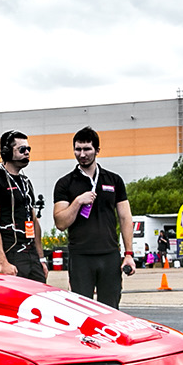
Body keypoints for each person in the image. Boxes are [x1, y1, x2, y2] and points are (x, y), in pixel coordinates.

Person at [53, 126, 135, 308]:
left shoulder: (113, 180)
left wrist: (128, 254)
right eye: (78, 149)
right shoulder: (65, 183)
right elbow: (60, 223)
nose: (82, 154)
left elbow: (125, 218)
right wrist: (77, 202)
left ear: (97, 150)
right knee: (82, 311)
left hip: (109, 255)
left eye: (87, 149)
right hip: (81, 256)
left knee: (111, 309)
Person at [0, 130, 46, 282]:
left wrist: (41, 259)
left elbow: (33, 220)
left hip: (31, 254)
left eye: (29, 149)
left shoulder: (26, 183)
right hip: (10, 253)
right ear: (7, 152)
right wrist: (3, 263)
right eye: (22, 149)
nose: (27, 152)